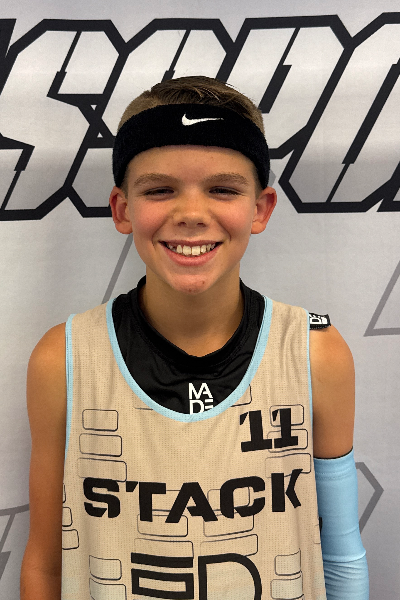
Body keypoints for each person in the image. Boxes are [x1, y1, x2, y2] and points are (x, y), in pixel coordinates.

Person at [21, 76, 368, 600]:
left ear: (260, 208)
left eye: (222, 189)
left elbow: (341, 555)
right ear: (122, 209)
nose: (190, 213)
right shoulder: (65, 358)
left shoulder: (314, 351)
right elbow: (46, 566)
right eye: (159, 190)